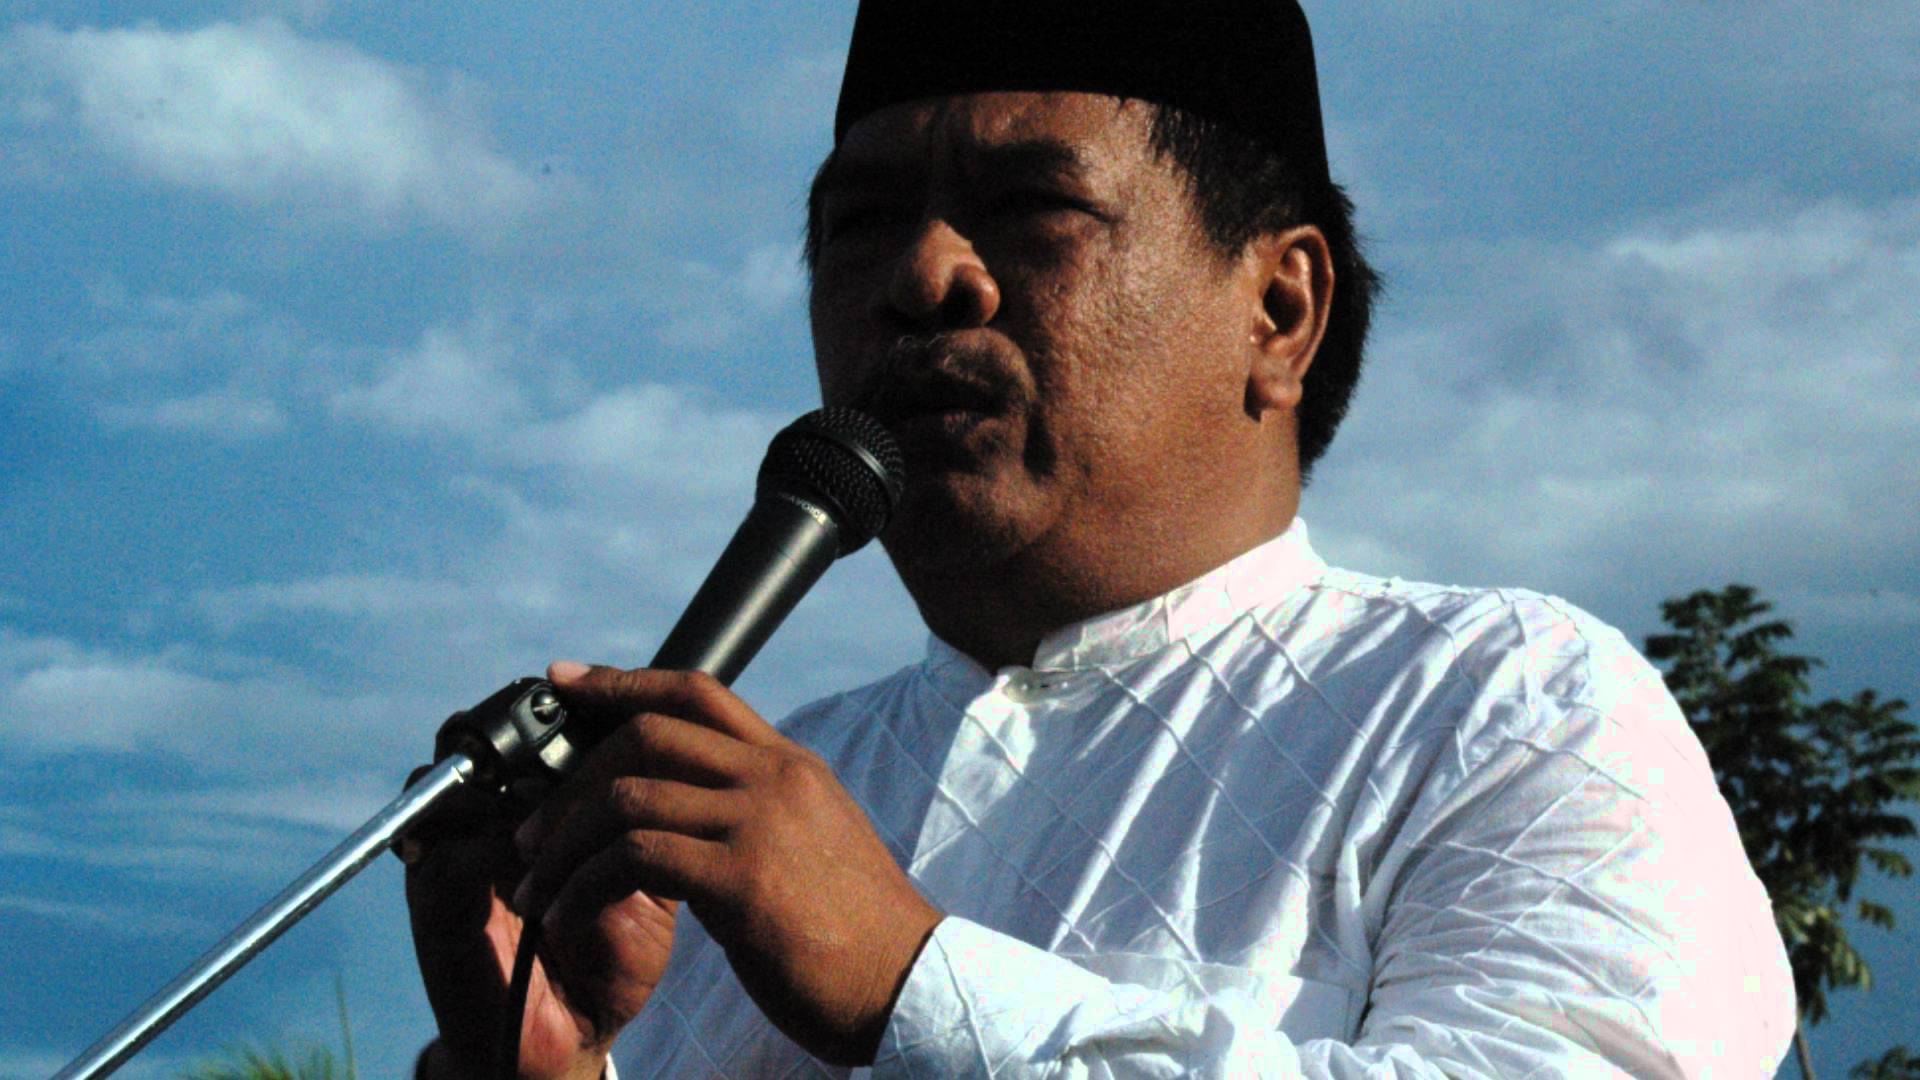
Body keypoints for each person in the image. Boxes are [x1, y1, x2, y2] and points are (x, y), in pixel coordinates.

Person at [405, 1, 1797, 1076]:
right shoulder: (731, 822)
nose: (923, 277)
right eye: (863, 225)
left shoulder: (1502, 706)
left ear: (1279, 312)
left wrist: (909, 980)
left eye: (1032, 210)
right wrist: (557, 1069)